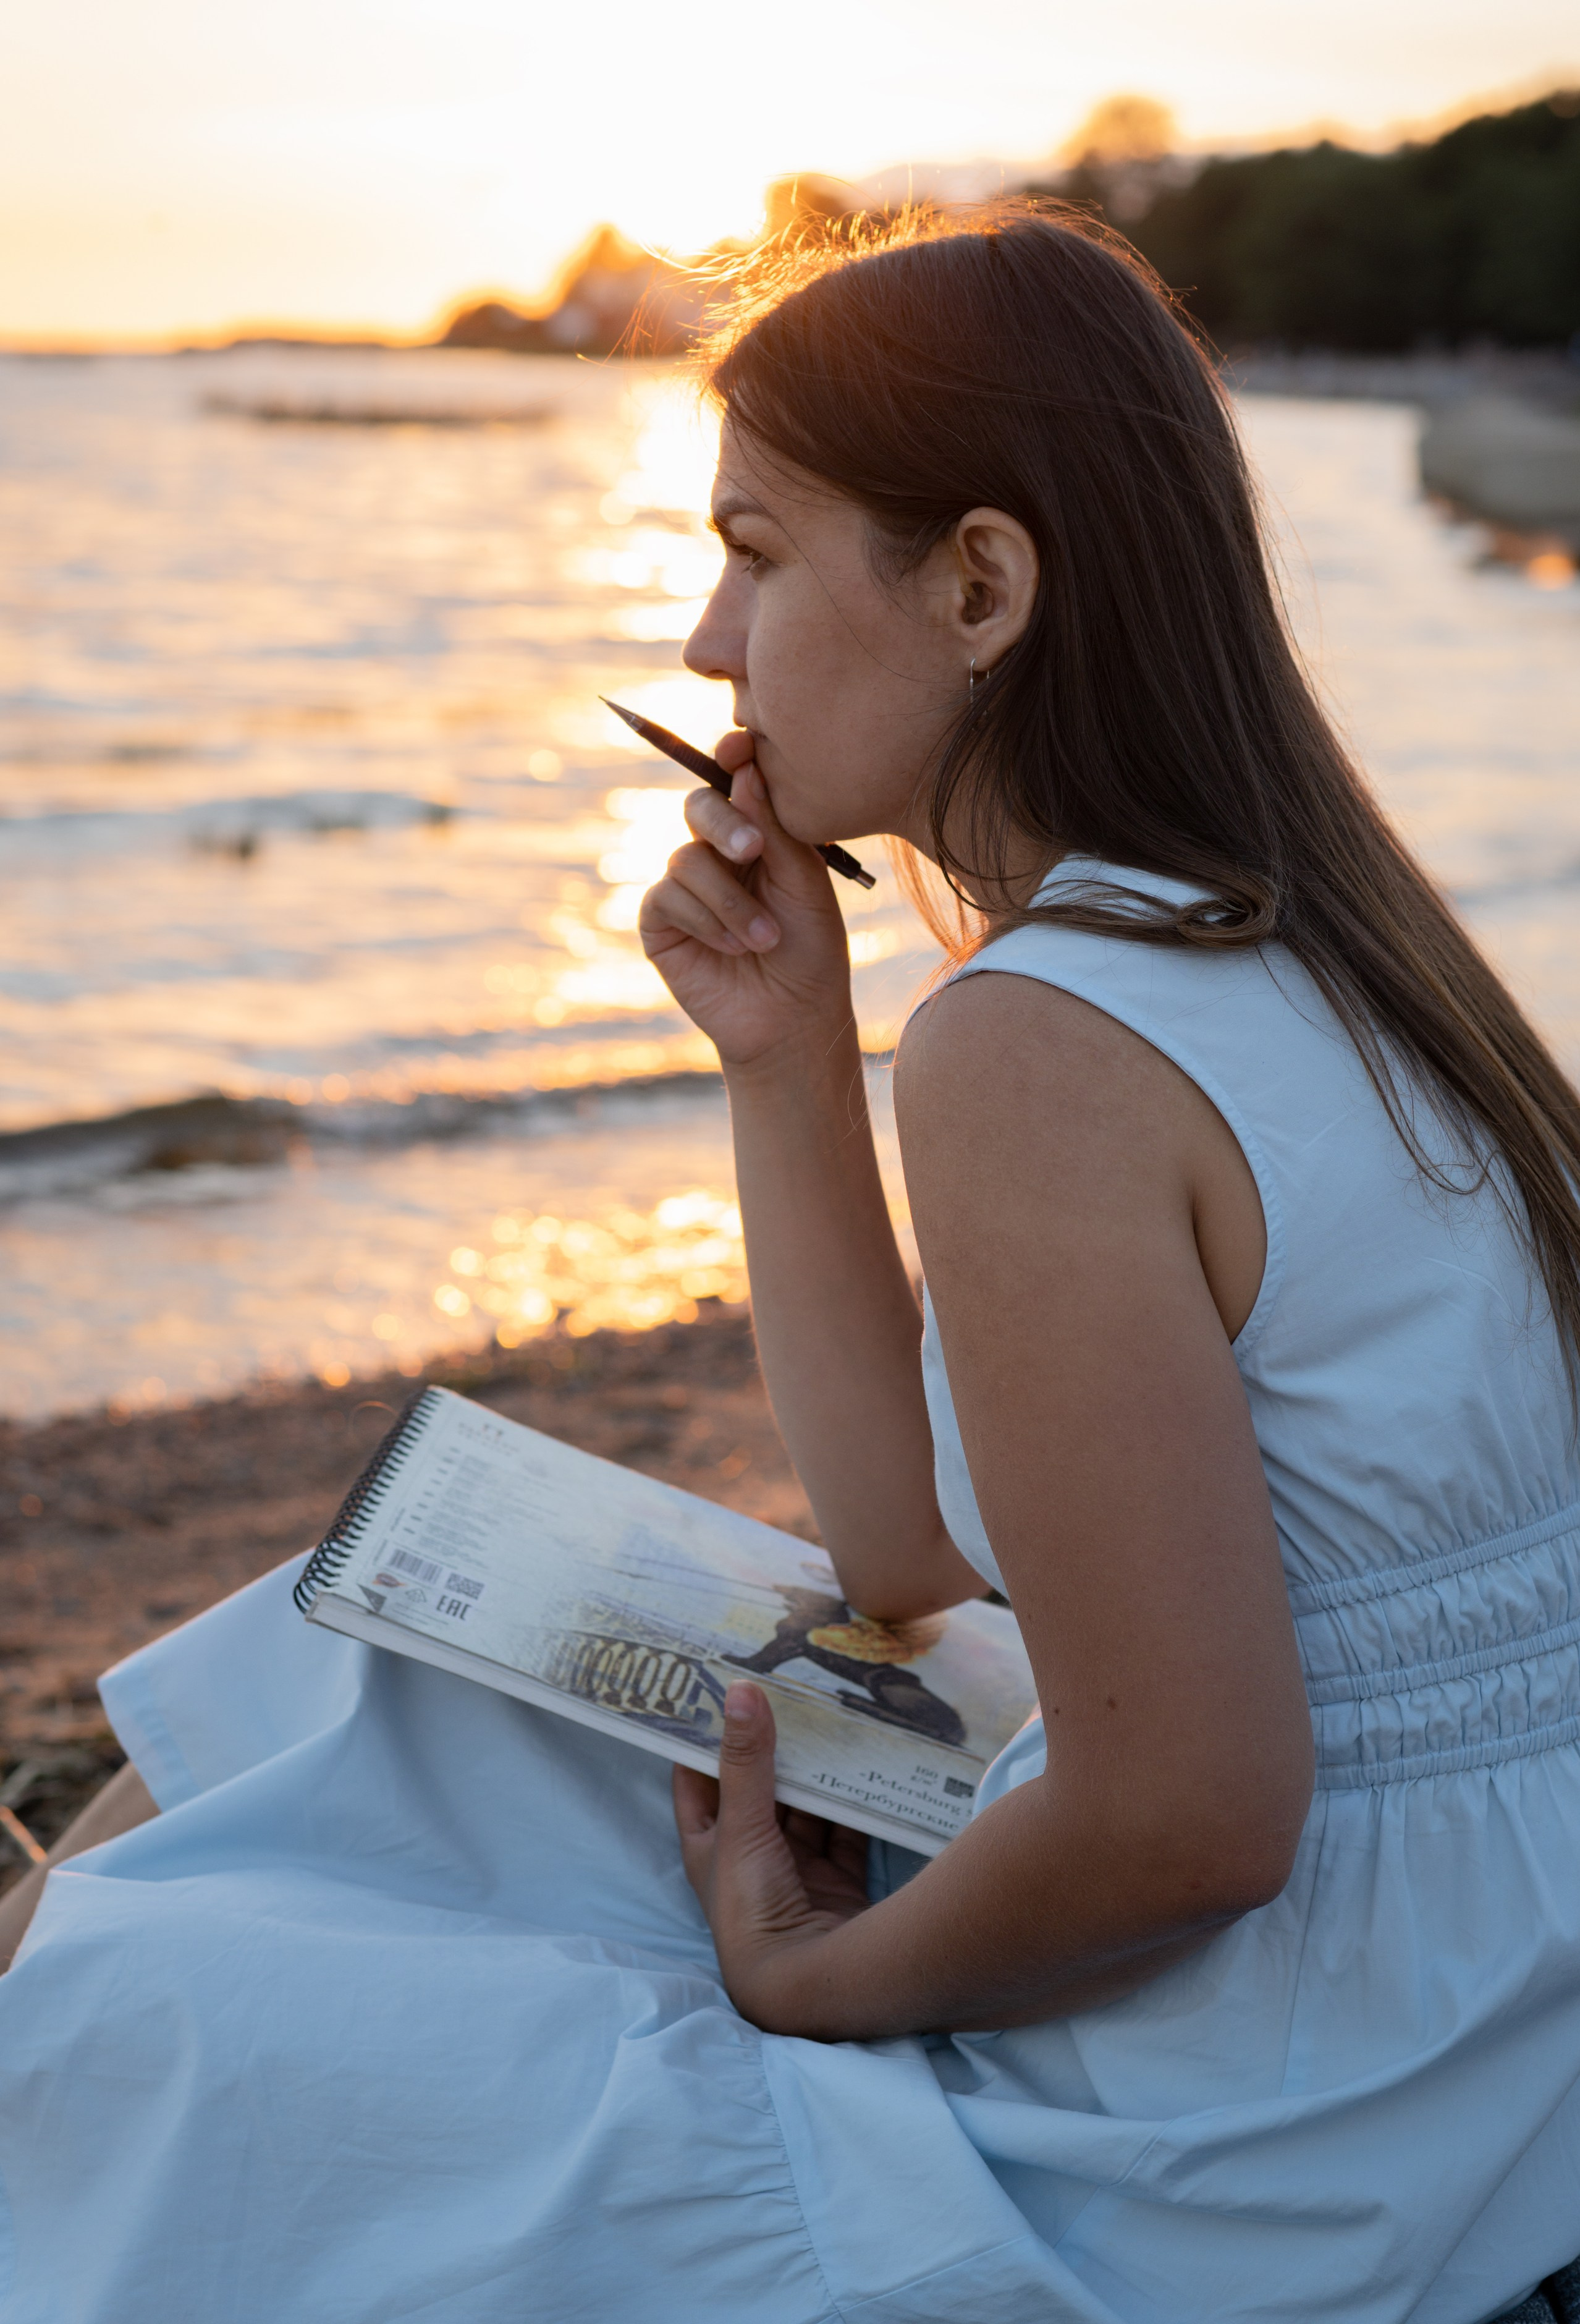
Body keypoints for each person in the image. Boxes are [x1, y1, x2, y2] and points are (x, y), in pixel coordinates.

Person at [3, 208, 1579, 2324]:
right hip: (1472, 1968)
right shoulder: (1299, 940)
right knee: (345, 1648)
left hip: (1307, 2104)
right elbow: (914, 1544)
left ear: (985, 585)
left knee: (177, 2021)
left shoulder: (1046, 1044)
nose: (704, 643)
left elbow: (1195, 1819)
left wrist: (811, 1978)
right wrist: (782, 1060)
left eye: (753, 549)